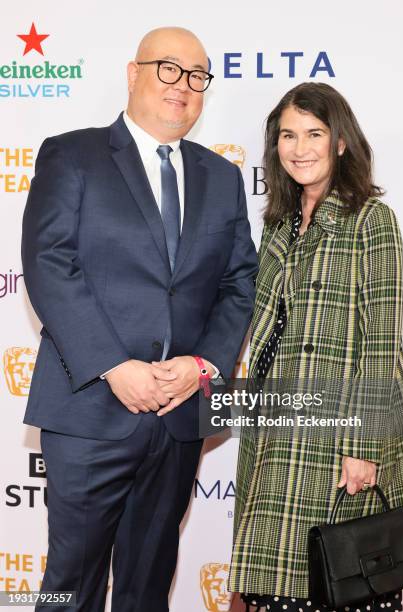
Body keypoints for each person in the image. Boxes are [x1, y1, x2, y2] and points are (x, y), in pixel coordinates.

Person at [21, 26, 257, 612]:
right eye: (168, 69)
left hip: (180, 419)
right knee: (67, 589)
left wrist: (203, 364)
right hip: (89, 412)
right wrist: (112, 366)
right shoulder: (72, 153)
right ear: (134, 73)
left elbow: (237, 281)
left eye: (197, 76)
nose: (183, 86)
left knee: (148, 588)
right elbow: (49, 262)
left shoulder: (221, 178)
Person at [228, 83, 403, 612]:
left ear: (341, 143)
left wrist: (365, 446)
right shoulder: (279, 227)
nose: (299, 148)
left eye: (314, 134)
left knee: (332, 586)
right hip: (273, 433)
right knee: (271, 589)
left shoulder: (371, 221)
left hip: (338, 441)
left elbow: (381, 342)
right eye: (288, 135)